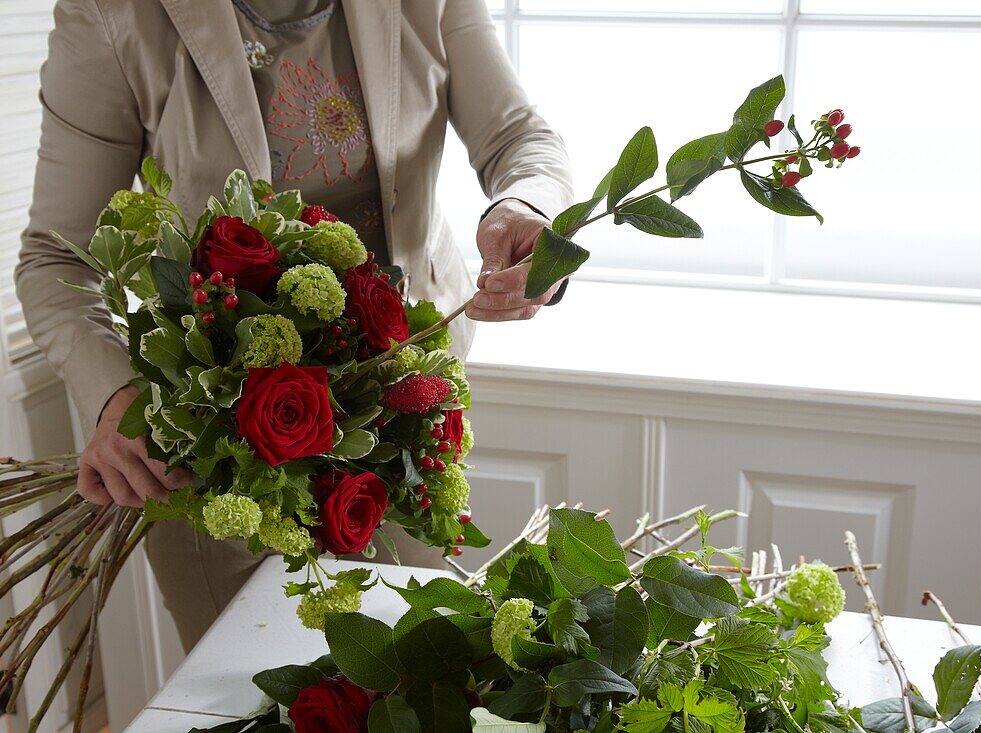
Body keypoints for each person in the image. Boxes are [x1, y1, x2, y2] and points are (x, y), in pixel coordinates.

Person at [15, 0, 572, 651]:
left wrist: (528, 206)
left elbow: (519, 139)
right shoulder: (113, 14)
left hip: (397, 421)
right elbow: (55, 257)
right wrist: (114, 396)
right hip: (216, 452)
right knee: (257, 696)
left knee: (419, 676)